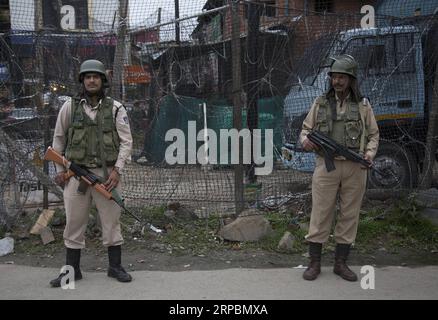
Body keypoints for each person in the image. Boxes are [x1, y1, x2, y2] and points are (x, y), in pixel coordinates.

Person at [49, 59, 133, 287]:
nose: (92, 80)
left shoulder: (116, 108)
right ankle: (71, 272)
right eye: (88, 77)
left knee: (111, 221)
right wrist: (60, 171)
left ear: (102, 80)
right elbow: (58, 140)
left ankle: (115, 267)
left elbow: (126, 142)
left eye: (96, 76)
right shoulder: (70, 107)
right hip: (75, 176)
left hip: (106, 177)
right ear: (82, 81)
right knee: (74, 223)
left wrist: (117, 170)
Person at [299, 55, 379, 282]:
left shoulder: (364, 106)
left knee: (349, 214)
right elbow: (305, 130)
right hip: (326, 165)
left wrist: (370, 154)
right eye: (334, 77)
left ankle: (340, 263)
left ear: (351, 80)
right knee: (321, 212)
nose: (337, 82)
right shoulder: (320, 103)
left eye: (342, 77)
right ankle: (314, 262)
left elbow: (373, 135)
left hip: (355, 167)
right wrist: (306, 140)